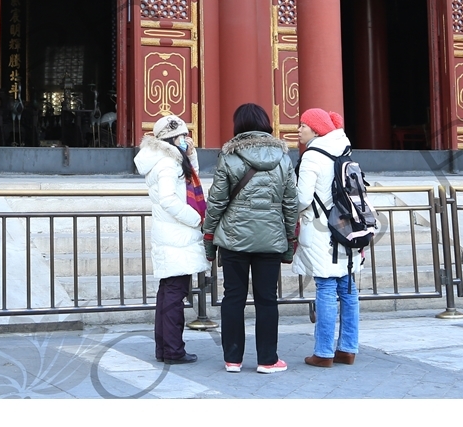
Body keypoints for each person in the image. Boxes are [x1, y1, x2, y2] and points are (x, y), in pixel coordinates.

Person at [201, 102, 299, 373]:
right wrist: (289, 243)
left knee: (233, 297)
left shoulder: (229, 156)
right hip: (270, 237)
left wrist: (209, 238)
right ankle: (268, 359)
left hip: (234, 238)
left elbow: (217, 202)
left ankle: (233, 358)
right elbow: (291, 204)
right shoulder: (283, 157)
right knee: (267, 298)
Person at [292, 107, 363, 368]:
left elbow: (302, 198)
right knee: (347, 287)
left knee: (325, 286)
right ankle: (347, 348)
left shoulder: (312, 157)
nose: (299, 129)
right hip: (345, 228)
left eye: (303, 125)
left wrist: (290, 213)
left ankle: (323, 352)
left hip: (321, 229)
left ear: (317, 130)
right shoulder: (344, 152)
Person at [134, 114, 207, 364]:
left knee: (169, 292)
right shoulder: (168, 164)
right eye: (183, 136)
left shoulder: (169, 159)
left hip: (172, 234)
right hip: (176, 234)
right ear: (173, 138)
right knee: (174, 294)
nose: (187, 140)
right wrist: (196, 218)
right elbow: (169, 198)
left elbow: (188, 180)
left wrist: (192, 156)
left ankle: (165, 348)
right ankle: (174, 350)